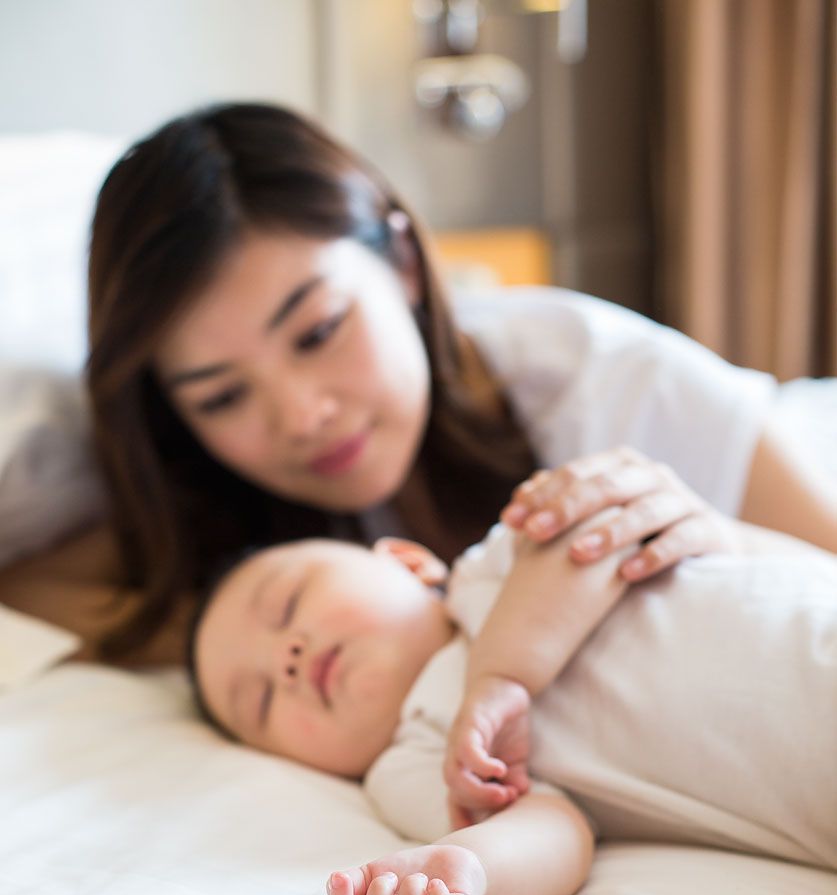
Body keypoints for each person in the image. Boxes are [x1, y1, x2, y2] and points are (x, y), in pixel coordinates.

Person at [1, 101, 835, 663]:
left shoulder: (605, 380)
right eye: (221, 395)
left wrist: (716, 541)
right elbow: (38, 581)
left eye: (319, 332)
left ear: (400, 261)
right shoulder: (207, 498)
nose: (303, 415)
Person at [189, 512, 837, 895]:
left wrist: (502, 674)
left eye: (287, 604)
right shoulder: (417, 763)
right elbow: (554, 828)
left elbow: (595, 545)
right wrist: (468, 871)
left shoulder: (503, 564)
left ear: (412, 563)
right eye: (262, 699)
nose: (285, 659)